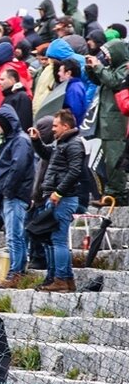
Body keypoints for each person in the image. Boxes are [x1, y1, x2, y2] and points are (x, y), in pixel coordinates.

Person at [38, 109, 84, 292]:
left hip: (63, 199)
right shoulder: (62, 143)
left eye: (56, 126)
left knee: (59, 240)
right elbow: (46, 153)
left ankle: (61, 279)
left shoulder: (74, 144)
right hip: (56, 197)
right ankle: (67, 279)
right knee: (54, 239)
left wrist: (58, 192)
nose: (53, 129)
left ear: (66, 126)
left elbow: (74, 171)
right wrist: (36, 141)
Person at [0, 104, 36, 288]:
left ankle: (15, 273)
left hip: (15, 195)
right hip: (11, 195)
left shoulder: (20, 140)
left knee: (14, 236)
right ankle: (19, 271)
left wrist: (7, 190)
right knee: (14, 235)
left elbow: (18, 167)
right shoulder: (13, 140)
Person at [85, 41, 129, 205]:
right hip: (106, 123)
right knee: (108, 161)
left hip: (117, 123)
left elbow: (114, 82)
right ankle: (111, 192)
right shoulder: (111, 69)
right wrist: (90, 68)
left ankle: (118, 193)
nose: (106, 57)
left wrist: (98, 67)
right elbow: (100, 80)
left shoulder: (124, 69)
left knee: (115, 159)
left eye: (109, 54)